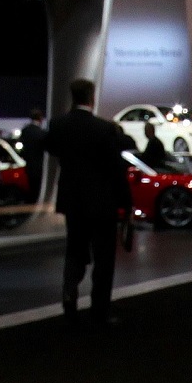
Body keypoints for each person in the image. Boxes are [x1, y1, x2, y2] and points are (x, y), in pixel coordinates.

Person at [42, 78, 132, 321]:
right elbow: (116, 170)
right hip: (102, 203)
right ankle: (99, 310)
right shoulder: (103, 129)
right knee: (104, 259)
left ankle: (69, 295)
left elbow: (49, 147)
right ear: (91, 97)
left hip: (73, 202)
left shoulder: (58, 125)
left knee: (74, 251)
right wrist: (126, 204)